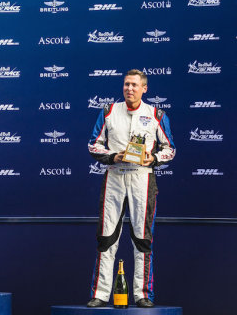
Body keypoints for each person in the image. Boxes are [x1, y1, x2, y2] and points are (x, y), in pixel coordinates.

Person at [86, 69, 175, 308]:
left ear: (144, 88)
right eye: (126, 84)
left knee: (142, 239)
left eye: (135, 85)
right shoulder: (109, 111)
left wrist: (153, 159)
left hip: (142, 179)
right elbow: (93, 146)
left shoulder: (156, 114)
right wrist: (114, 156)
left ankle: (142, 294)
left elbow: (170, 149)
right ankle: (100, 293)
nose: (129, 89)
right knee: (106, 238)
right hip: (114, 177)